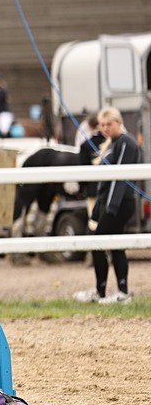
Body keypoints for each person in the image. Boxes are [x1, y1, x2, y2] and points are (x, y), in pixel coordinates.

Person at [74, 107, 140, 304]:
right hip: (109, 202)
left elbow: (119, 178)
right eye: (102, 125)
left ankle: (108, 291)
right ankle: (115, 291)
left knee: (98, 243)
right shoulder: (111, 143)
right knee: (114, 246)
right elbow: (104, 184)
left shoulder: (126, 142)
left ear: (119, 123)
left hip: (120, 203)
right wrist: (97, 210)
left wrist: (110, 208)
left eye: (109, 124)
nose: (105, 128)